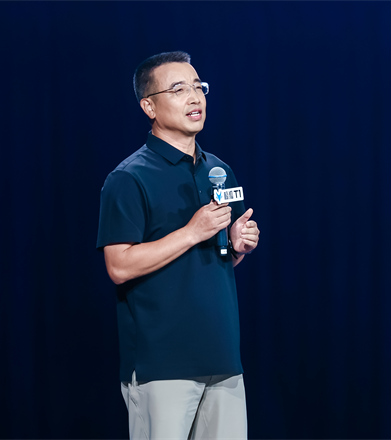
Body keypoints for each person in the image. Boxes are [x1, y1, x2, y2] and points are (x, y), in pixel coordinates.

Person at [96, 51, 260, 440]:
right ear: (149, 106)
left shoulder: (218, 170)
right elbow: (119, 266)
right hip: (162, 365)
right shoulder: (129, 178)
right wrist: (191, 231)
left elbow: (212, 258)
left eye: (198, 86)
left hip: (223, 359)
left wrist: (235, 246)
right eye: (178, 89)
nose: (194, 96)